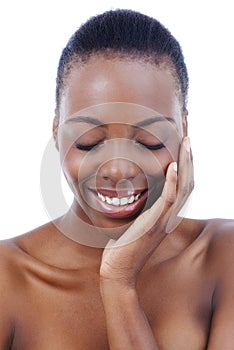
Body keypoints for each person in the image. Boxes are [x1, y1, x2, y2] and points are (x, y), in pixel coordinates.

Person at [0, 9, 234, 349]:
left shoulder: (223, 256)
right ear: (56, 130)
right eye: (89, 142)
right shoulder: (7, 277)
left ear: (184, 129)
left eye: (149, 141)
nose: (118, 170)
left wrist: (119, 283)